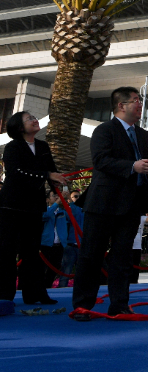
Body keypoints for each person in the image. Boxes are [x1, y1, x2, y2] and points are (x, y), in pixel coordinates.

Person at [71, 87, 148, 320]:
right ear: (121, 106)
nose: (140, 105)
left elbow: (147, 163)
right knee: (91, 255)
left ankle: (119, 304)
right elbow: (101, 161)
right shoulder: (104, 130)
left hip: (132, 204)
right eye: (136, 101)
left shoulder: (143, 134)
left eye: (140, 100)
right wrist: (131, 167)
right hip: (103, 203)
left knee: (122, 257)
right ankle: (82, 306)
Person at [0, 111, 67, 306]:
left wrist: (59, 182)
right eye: (29, 119)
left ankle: (34, 294)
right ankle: (4, 294)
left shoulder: (43, 147)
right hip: (11, 206)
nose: (35, 120)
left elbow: (51, 171)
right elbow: (15, 172)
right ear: (19, 127)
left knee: (32, 252)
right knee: (7, 251)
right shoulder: (12, 147)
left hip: (34, 207)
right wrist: (47, 174)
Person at [40, 190, 70, 287]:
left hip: (59, 245)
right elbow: (46, 215)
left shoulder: (62, 212)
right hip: (46, 245)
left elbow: (72, 216)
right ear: (48, 199)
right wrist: (57, 203)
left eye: (57, 195)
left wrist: (67, 199)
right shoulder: (45, 210)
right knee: (42, 268)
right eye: (54, 195)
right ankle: (40, 288)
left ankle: (48, 287)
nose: (56, 197)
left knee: (55, 268)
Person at [59, 190, 84, 288]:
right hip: (70, 245)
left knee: (81, 272)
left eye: (79, 197)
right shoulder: (68, 211)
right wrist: (69, 200)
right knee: (66, 271)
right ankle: (61, 291)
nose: (78, 199)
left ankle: (81, 292)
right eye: (75, 197)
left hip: (81, 245)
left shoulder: (83, 211)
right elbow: (73, 213)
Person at [130, 213, 148, 284]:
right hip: (126, 245)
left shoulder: (141, 218)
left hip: (137, 246)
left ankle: (134, 281)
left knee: (136, 265)